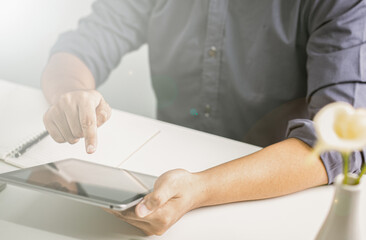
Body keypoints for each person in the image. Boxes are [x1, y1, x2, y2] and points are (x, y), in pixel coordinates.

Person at [41, 0, 366, 236]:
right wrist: (70, 92)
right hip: (162, 184)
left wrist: (201, 189)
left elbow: (341, 147)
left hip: (276, 202)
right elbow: (82, 45)